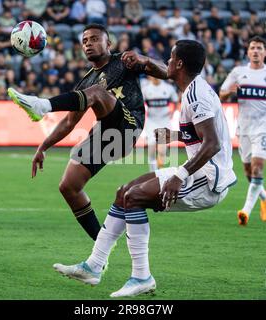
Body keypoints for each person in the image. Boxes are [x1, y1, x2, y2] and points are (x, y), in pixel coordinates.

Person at [52, 40, 237, 297]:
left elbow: (213, 143)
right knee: (123, 192)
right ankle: (93, 266)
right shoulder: (194, 89)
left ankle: (141, 276)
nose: (168, 62)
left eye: (171, 59)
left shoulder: (196, 95)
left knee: (134, 197)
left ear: (180, 64)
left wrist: (179, 176)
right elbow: (205, 134)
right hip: (198, 172)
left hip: (208, 179)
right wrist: (174, 135)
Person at [7, 24, 168, 241]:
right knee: (69, 187)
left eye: (93, 39)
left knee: (98, 93)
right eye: (84, 41)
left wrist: (145, 60)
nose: (88, 44)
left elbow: (167, 72)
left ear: (108, 43)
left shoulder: (124, 61)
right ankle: (101, 248)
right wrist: (43, 146)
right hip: (105, 135)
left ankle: (41, 106)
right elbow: (70, 121)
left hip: (129, 127)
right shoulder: (87, 82)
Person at [219, 36, 266, 226]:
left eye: (259, 48)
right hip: (244, 127)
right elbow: (221, 94)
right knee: (249, 172)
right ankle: (264, 197)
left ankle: (246, 211)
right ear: (248, 52)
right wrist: (230, 92)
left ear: (265, 52)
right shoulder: (238, 72)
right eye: (252, 48)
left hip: (264, 125)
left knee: (258, 167)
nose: (255, 51)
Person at [141, 76, 178, 171]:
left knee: (162, 151)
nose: (155, 77)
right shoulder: (146, 89)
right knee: (152, 149)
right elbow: (140, 104)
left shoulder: (168, 88)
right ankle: (153, 172)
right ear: (150, 77)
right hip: (151, 122)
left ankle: (158, 171)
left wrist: (172, 113)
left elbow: (175, 101)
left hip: (164, 121)